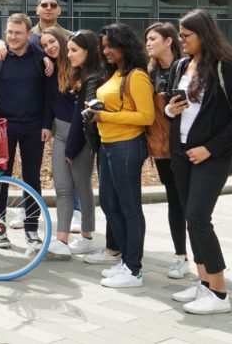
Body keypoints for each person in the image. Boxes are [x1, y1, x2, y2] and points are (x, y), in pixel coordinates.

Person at [165, 9, 232, 315]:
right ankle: (203, 284)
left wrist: (210, 149)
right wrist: (170, 110)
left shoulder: (225, 66)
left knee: (199, 218)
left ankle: (219, 293)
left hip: (211, 157)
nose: (181, 40)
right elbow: (171, 109)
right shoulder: (181, 65)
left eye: (186, 35)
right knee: (191, 218)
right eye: (180, 34)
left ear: (204, 35)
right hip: (183, 154)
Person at [91, 23, 155, 289]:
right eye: (103, 47)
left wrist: (104, 115)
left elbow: (146, 116)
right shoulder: (115, 73)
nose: (105, 51)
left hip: (126, 147)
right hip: (107, 145)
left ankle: (134, 269)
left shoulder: (137, 76)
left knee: (129, 207)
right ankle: (126, 261)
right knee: (109, 204)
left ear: (124, 45)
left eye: (110, 46)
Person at [0, 14, 49, 250]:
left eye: (18, 33)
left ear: (29, 35)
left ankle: (32, 228)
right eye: (9, 32)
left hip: (33, 127)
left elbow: (48, 95)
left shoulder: (40, 59)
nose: (12, 37)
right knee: (1, 177)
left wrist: (46, 124)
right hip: (4, 126)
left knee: (32, 178)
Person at [40, 27, 96, 257]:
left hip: (80, 133)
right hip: (60, 133)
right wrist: (46, 125)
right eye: (44, 45)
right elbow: (49, 101)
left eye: (52, 42)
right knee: (62, 187)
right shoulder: (50, 69)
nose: (49, 47)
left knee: (82, 185)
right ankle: (61, 239)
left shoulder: (80, 70)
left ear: (63, 40)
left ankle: (87, 236)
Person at [145, 22, 190, 280]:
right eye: (147, 39)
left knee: (187, 203)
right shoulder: (148, 74)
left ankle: (196, 258)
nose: (148, 43)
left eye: (153, 38)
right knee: (174, 200)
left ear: (168, 41)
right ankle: (181, 256)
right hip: (161, 148)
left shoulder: (185, 69)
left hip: (185, 145)